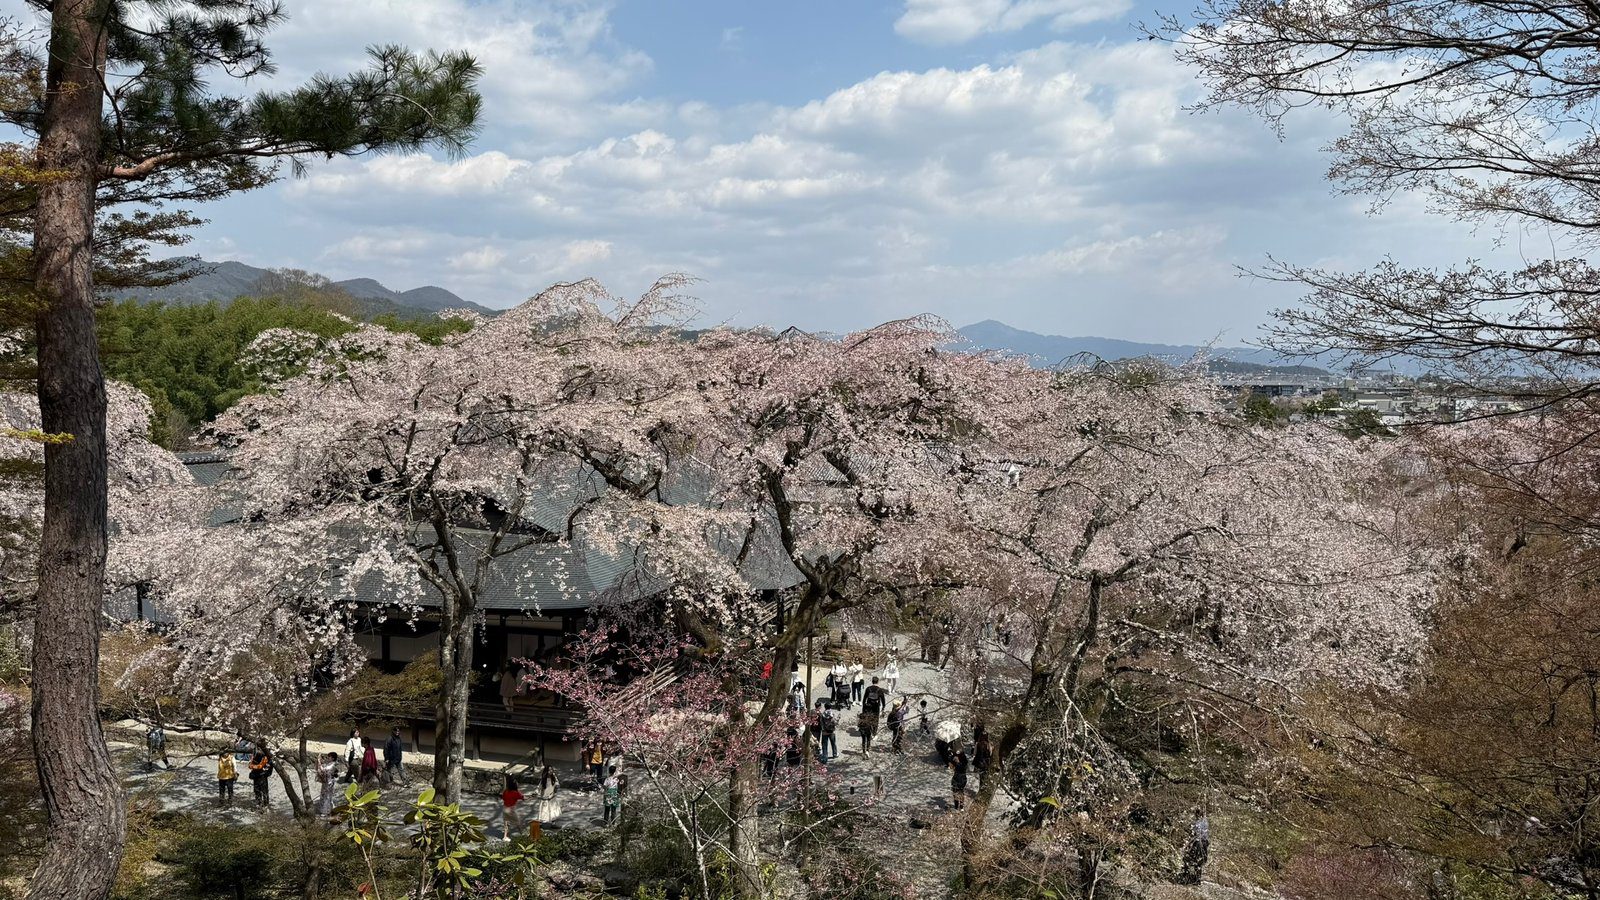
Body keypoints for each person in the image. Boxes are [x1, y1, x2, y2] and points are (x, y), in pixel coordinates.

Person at [1178, 808, 1210, 884]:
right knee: (1200, 861)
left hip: (1198, 843)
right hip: (1205, 843)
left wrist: (1187, 844)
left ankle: (1186, 877)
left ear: (1197, 814)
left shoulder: (1196, 824)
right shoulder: (1206, 822)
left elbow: (1194, 835)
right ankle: (1197, 879)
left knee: (1188, 858)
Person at [316, 751, 340, 817]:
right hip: (327, 782)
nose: (327, 758)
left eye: (329, 757)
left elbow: (324, 770)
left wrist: (319, 762)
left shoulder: (332, 765)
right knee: (326, 796)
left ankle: (326, 811)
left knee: (326, 796)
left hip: (329, 782)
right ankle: (329, 809)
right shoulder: (331, 764)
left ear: (332, 758)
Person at [501, 775, 524, 840]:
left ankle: (504, 837)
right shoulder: (516, 793)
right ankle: (522, 834)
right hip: (511, 809)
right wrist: (532, 796)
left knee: (506, 823)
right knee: (517, 822)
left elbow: (503, 798)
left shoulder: (506, 791)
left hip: (505, 808)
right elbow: (523, 798)